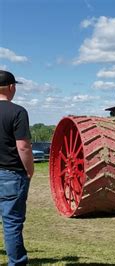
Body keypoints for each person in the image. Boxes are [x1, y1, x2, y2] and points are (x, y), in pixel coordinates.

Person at [0, 70, 34, 265]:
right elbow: (23, 146)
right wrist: (30, 170)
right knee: (12, 223)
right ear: (11, 87)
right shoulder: (18, 112)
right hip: (10, 175)